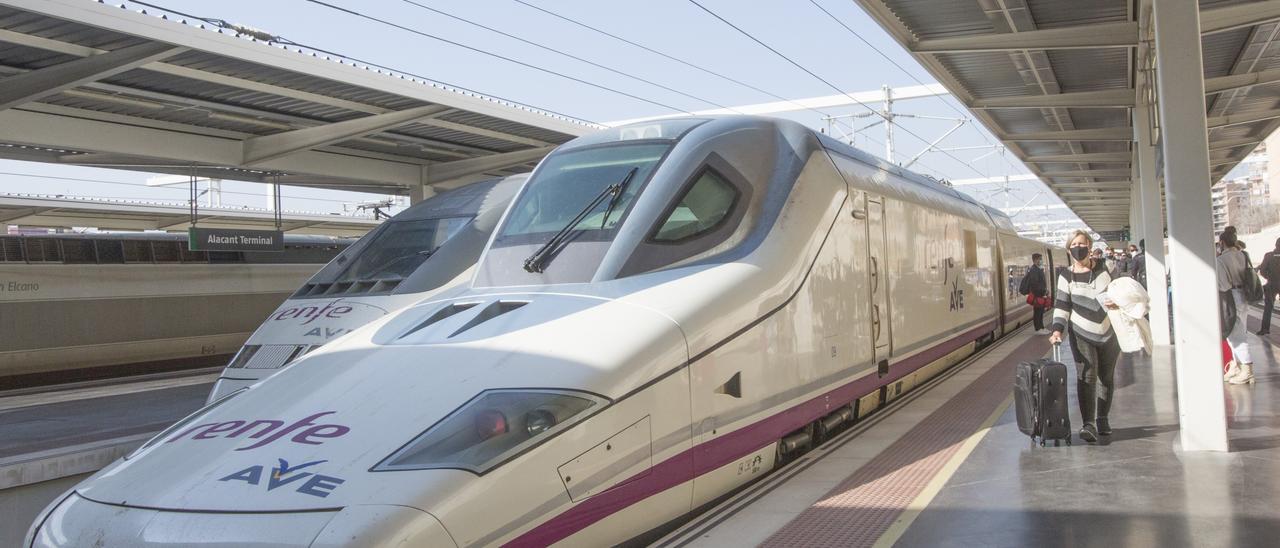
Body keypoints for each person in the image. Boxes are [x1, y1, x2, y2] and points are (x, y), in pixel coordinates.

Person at [1050, 230, 1122, 443]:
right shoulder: (1066, 275)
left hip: (1110, 332)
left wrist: (1118, 301)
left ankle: (1102, 418)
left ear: (1090, 246)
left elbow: (1122, 292)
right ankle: (1088, 423)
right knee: (1087, 376)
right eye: (1074, 244)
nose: (1078, 248)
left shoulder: (1107, 268)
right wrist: (1057, 331)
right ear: (1069, 248)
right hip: (1081, 332)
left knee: (1106, 378)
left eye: (1082, 243)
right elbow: (1062, 305)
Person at [1217, 229, 1256, 385]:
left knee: (1235, 334)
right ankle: (1237, 366)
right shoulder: (1242, 255)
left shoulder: (1221, 260)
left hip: (1231, 296)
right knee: (1241, 329)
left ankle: (1247, 369)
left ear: (1222, 243)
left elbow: (1223, 284)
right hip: (1244, 294)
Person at [1020, 253, 1049, 331]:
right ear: (1035, 260)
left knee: (1040, 312)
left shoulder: (1037, 269)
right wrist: (1042, 292)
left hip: (1040, 294)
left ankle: (1041, 327)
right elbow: (1035, 284)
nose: (1041, 261)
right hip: (1038, 295)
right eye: (1040, 259)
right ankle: (1038, 329)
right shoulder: (1034, 270)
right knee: (1037, 313)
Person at [1258, 238, 1280, 336]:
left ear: (1276, 245)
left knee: (1268, 308)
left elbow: (1262, 270)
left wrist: (1269, 277)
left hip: (1271, 284)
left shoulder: (1269, 256)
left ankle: (1265, 329)